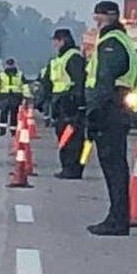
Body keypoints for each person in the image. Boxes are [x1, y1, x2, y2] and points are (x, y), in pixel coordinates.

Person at [84, 0, 137, 236]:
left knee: (113, 166)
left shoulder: (111, 43)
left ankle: (118, 219)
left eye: (97, 17)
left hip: (110, 109)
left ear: (105, 17)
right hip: (117, 107)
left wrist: (94, 113)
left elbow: (105, 81)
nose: (95, 21)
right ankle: (117, 216)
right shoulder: (120, 39)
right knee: (116, 165)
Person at [48, 28, 87, 180]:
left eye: (55, 41)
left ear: (61, 40)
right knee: (64, 138)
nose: (54, 44)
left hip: (70, 104)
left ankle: (73, 168)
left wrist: (76, 103)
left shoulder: (73, 58)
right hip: (60, 104)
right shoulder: (59, 59)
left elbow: (79, 81)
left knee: (73, 139)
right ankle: (67, 167)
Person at [0, 58, 26, 136]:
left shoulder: (18, 74)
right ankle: (8, 130)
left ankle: (8, 130)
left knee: (10, 113)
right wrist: (26, 96)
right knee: (8, 113)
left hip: (12, 96)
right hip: (9, 96)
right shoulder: (3, 74)